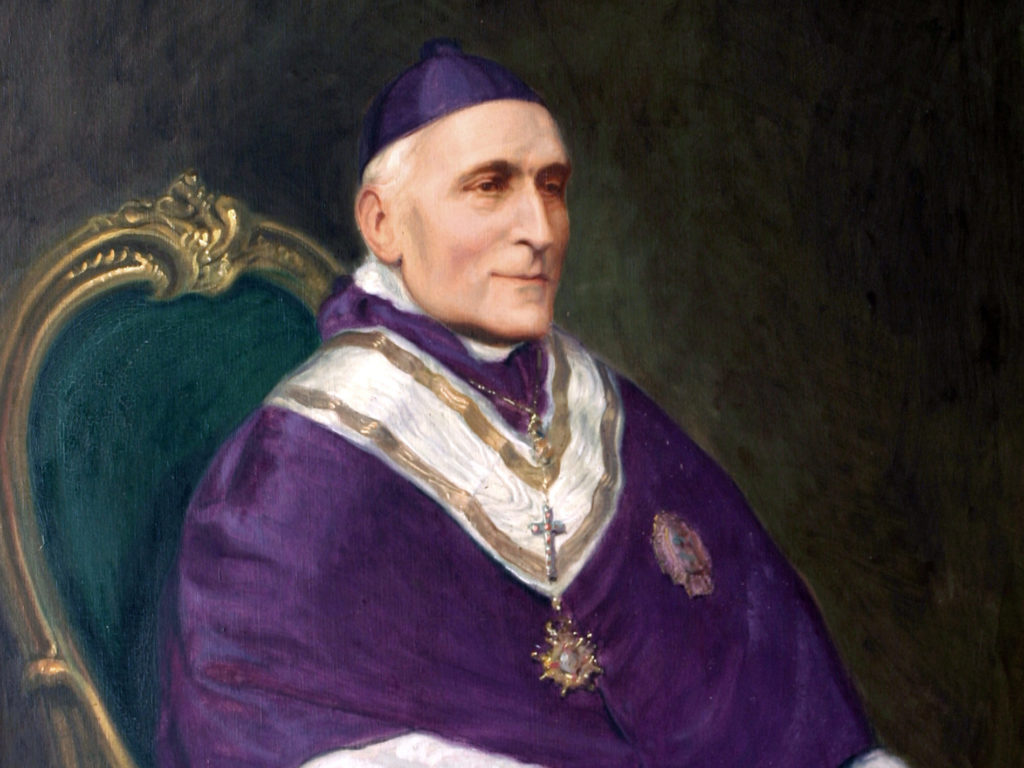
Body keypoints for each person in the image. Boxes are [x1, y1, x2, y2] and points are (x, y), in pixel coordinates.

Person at [156, 40, 907, 768]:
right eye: (490, 186)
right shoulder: (294, 469)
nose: (540, 231)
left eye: (551, 186)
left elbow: (776, 680)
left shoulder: (603, 407)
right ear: (383, 224)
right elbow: (260, 724)